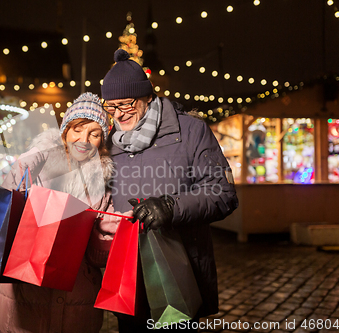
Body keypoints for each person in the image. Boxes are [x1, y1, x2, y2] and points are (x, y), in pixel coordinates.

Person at [100, 49, 239, 332]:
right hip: (127, 277)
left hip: (178, 272)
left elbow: (223, 192)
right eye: (111, 106)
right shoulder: (107, 143)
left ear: (147, 97)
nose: (119, 114)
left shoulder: (190, 131)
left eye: (126, 103)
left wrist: (171, 207)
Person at [0, 92, 128, 333]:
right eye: (77, 129)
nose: (84, 139)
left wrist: (111, 230)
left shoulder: (101, 183)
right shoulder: (36, 169)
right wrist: (22, 171)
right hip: (25, 306)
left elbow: (97, 257)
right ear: (65, 132)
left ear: (102, 141)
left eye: (94, 134)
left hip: (77, 309)